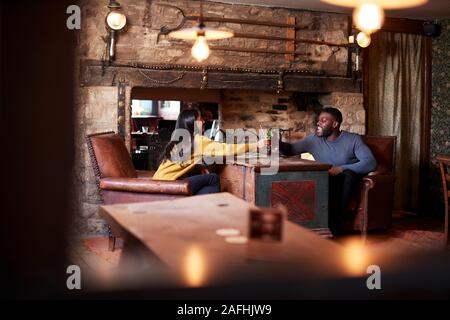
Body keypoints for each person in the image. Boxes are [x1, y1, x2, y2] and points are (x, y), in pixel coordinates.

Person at [280, 107, 377, 234]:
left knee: (348, 175)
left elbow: (370, 162)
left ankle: (334, 228)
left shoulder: (353, 139)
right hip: (325, 181)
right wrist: (275, 142)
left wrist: (341, 169)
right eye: (319, 120)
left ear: (335, 124)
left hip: (348, 184)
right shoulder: (313, 140)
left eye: (323, 121)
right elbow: (290, 150)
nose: (318, 123)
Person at [154, 109, 262, 195]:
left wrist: (201, 168)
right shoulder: (198, 140)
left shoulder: (179, 139)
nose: (204, 121)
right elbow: (227, 149)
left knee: (206, 183)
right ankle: (210, 209)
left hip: (158, 183)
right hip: (169, 185)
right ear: (192, 123)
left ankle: (197, 207)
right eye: (200, 119)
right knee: (213, 178)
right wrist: (256, 145)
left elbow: (184, 162)